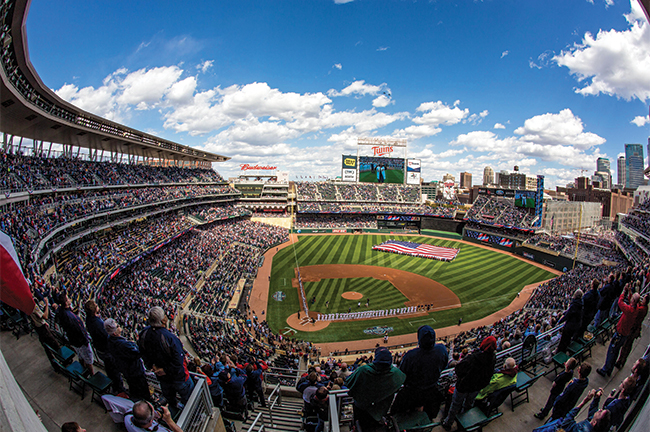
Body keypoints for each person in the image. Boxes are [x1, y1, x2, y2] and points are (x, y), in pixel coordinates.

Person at [138, 307, 194, 408]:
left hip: (162, 377)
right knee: (189, 397)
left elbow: (142, 353)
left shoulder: (144, 333)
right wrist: (165, 370)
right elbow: (178, 362)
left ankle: (174, 408)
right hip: (178, 377)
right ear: (163, 320)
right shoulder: (170, 338)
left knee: (170, 398)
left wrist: (152, 366)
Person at [441, 336, 497, 431]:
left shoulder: (473, 358)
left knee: (455, 405)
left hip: (463, 387)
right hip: (476, 388)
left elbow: (458, 369)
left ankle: (448, 423)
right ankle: (464, 423)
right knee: (468, 405)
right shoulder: (493, 358)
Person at [394, 325, 448, 420]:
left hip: (412, 391)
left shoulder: (411, 356)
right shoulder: (441, 349)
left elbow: (401, 375)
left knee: (397, 411)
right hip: (431, 389)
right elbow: (444, 365)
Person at [346, 347, 406, 432]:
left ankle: (355, 427)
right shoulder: (397, 374)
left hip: (362, 408)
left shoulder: (363, 370)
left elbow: (348, 383)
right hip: (382, 410)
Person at [597, 286, 643, 377]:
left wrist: (624, 291)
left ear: (633, 301)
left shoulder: (629, 310)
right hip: (623, 334)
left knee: (611, 351)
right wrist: (630, 292)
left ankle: (605, 369)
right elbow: (632, 301)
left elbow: (620, 302)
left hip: (620, 334)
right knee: (615, 352)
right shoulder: (636, 308)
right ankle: (609, 369)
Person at [104, 318, 151, 402]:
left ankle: (136, 397)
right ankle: (147, 402)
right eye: (117, 326)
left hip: (126, 370)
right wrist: (134, 344)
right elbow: (138, 353)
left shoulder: (110, 340)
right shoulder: (123, 345)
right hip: (135, 370)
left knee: (133, 386)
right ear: (114, 333)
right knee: (143, 388)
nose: (119, 326)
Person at [84, 300, 124, 394]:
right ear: (94, 310)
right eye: (96, 305)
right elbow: (107, 337)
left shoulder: (89, 319)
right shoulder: (98, 324)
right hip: (106, 351)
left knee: (110, 369)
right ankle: (118, 390)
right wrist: (116, 333)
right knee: (114, 371)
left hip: (100, 350)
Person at [532, 390, 611, 432]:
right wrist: (596, 398)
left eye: (600, 412)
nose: (600, 409)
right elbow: (592, 414)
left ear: (595, 423)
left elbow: (567, 420)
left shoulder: (581, 429)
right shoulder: (595, 427)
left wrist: (583, 402)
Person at [55, 292, 94, 375]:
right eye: (68, 298)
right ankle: (91, 375)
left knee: (81, 356)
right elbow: (80, 330)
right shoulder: (71, 318)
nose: (70, 299)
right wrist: (86, 341)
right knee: (88, 360)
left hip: (73, 341)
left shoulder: (62, 311)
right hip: (81, 342)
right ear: (66, 303)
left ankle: (83, 371)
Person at [616, 294, 648, 369]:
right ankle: (622, 361)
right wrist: (630, 293)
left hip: (633, 330)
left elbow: (631, 305)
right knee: (627, 345)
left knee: (626, 346)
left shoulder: (640, 309)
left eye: (643, 299)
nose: (642, 300)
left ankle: (621, 361)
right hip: (635, 329)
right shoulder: (643, 308)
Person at [555, 289, 583, 354]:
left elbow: (568, 314)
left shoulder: (575, 304)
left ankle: (560, 353)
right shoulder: (580, 303)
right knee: (567, 340)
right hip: (576, 325)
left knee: (564, 340)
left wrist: (559, 321)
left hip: (570, 326)